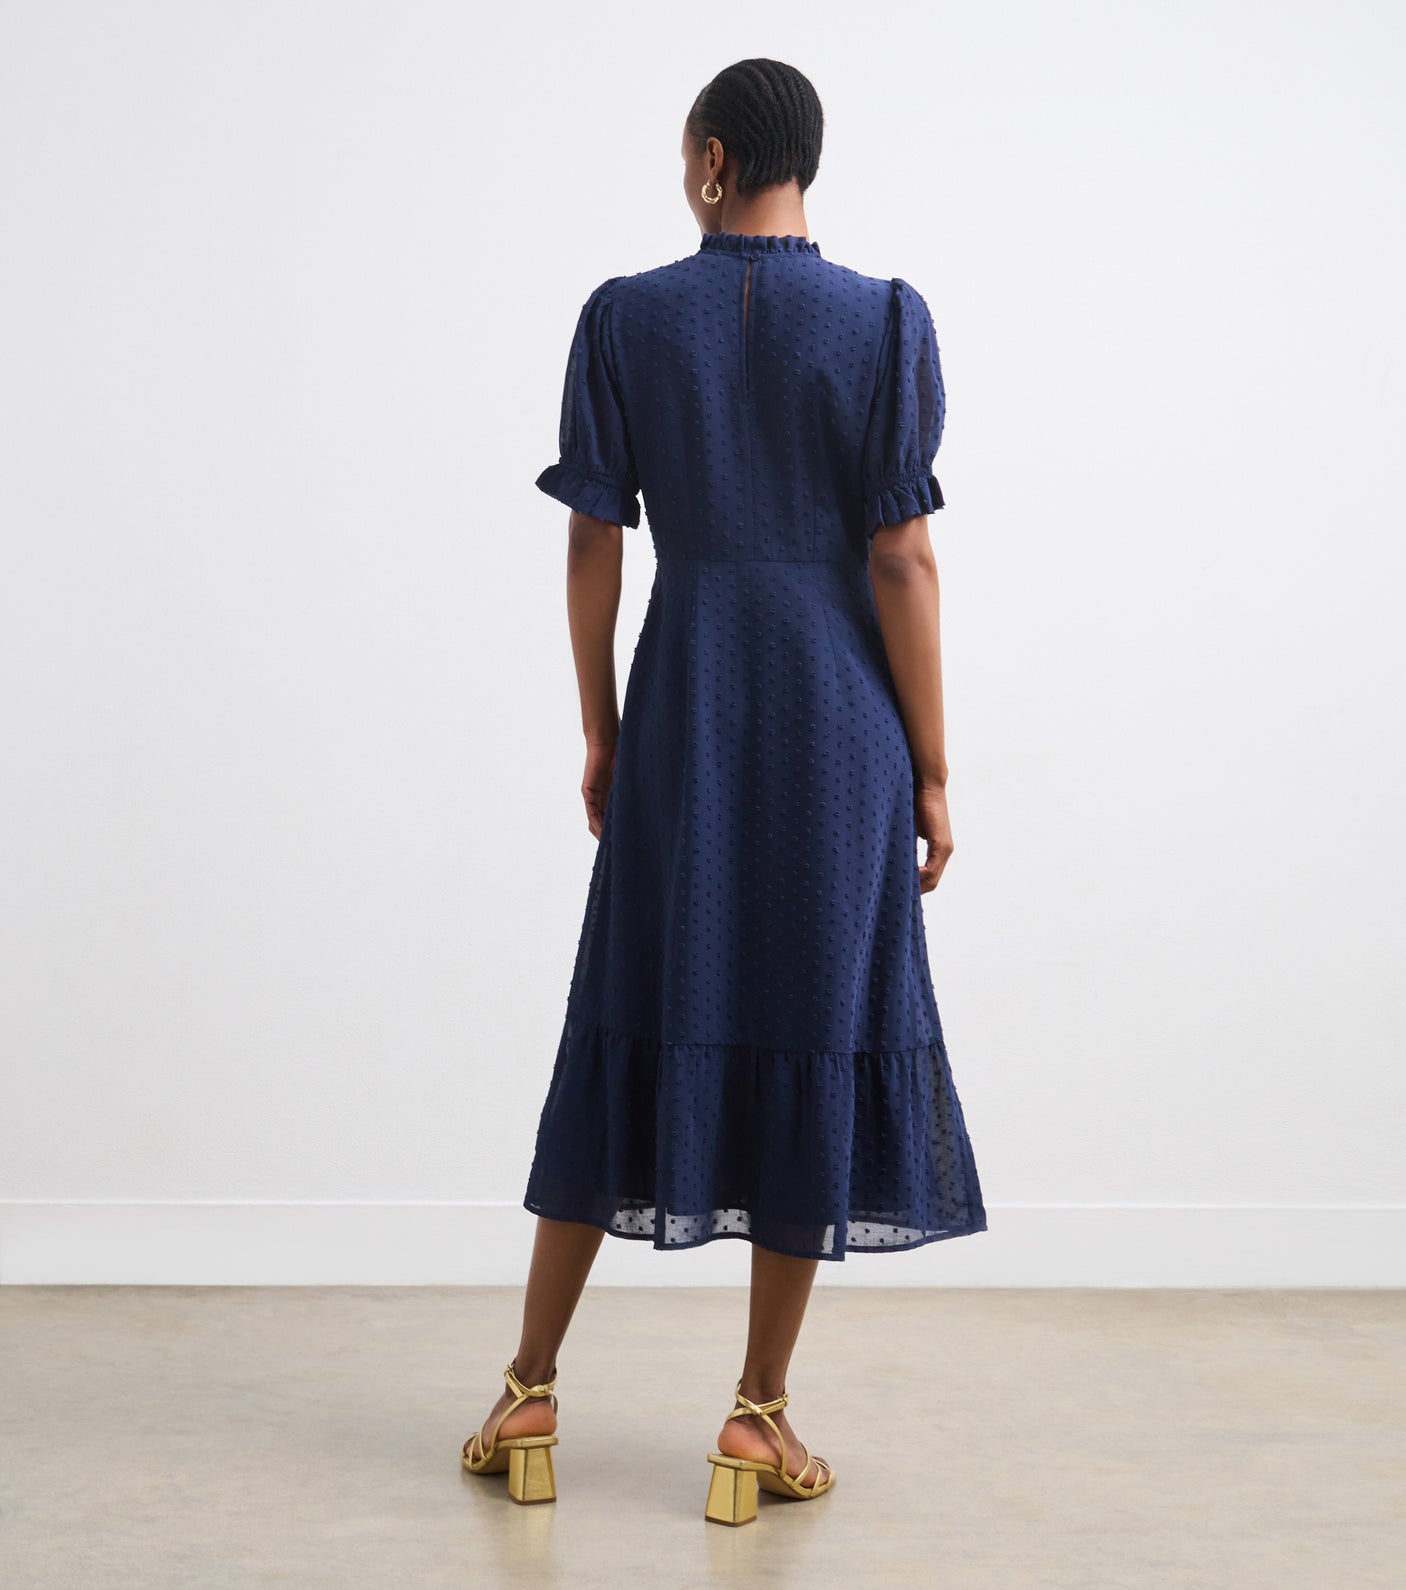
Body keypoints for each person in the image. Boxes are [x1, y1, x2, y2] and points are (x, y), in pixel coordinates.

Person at [461, 57, 988, 1524]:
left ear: (709, 159)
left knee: (625, 1006)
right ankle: (757, 1415)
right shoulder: (886, 321)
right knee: (813, 1024)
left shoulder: (624, 317)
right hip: (838, 726)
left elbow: (592, 542)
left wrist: (602, 727)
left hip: (683, 706)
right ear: (800, 162)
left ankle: (528, 1388)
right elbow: (901, 556)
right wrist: (933, 765)